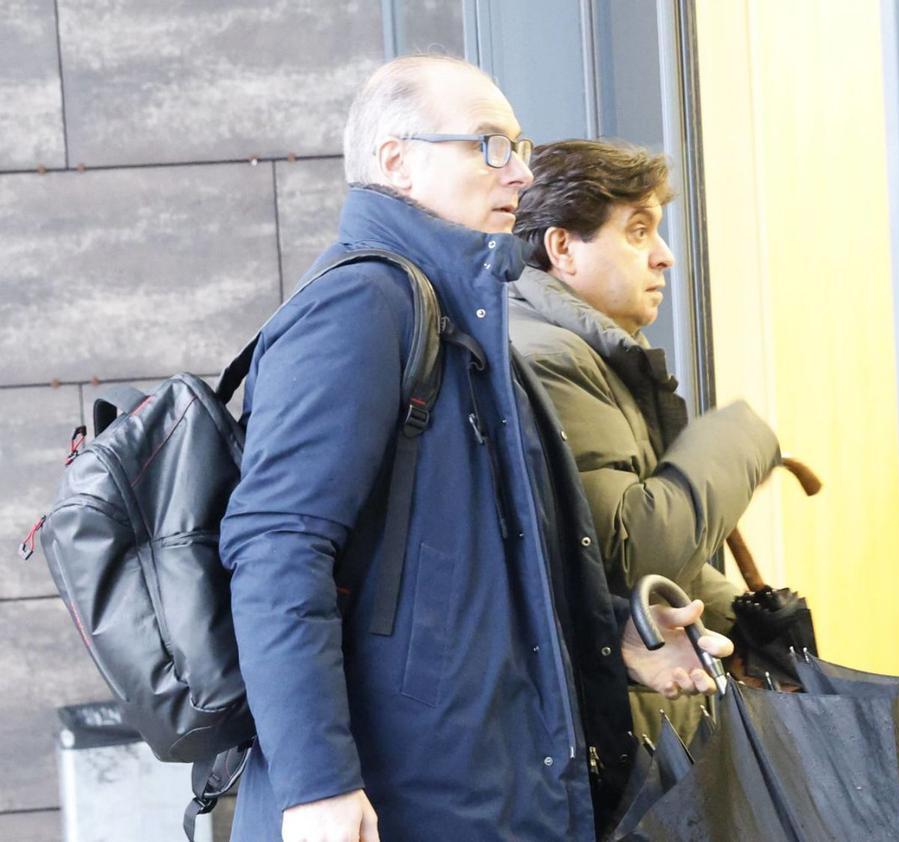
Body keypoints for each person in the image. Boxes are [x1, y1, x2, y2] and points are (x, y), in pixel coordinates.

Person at [219, 55, 731, 842]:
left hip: (484, 793)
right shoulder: (363, 304)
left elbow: (479, 570)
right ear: (397, 160)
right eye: (490, 145)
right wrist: (316, 784)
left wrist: (615, 637)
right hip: (411, 803)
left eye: (520, 147)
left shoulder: (467, 318)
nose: (519, 174)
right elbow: (276, 547)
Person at [509, 139, 780, 742]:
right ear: (562, 248)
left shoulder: (584, 353)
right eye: (637, 231)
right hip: (604, 734)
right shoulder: (548, 358)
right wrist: (742, 437)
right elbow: (633, 554)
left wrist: (742, 623)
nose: (665, 257)